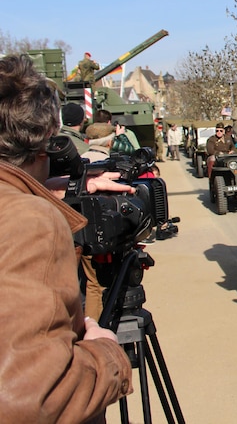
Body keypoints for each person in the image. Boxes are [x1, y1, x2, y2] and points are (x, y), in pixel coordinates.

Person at [0, 54, 132, 422]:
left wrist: (46, 189)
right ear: (44, 139)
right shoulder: (30, 220)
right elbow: (30, 396)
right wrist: (107, 358)